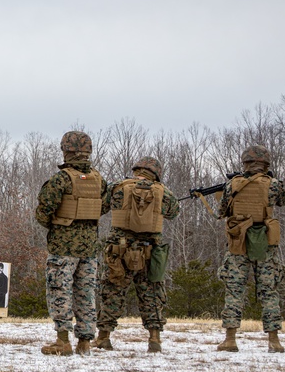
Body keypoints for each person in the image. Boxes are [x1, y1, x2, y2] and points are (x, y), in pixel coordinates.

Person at [35, 131, 110, 356]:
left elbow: (43, 211)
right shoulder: (98, 179)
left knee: (60, 290)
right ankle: (85, 342)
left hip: (63, 247)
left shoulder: (61, 179)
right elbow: (103, 207)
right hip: (89, 247)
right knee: (86, 293)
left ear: (66, 150)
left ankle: (62, 341)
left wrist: (59, 225)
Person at [96, 157, 180, 353]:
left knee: (113, 291)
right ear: (156, 172)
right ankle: (154, 338)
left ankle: (104, 337)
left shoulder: (118, 187)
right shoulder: (162, 191)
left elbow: (102, 207)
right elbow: (173, 212)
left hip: (120, 249)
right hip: (150, 249)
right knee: (152, 293)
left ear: (136, 170)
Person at [215, 145, 285, 353]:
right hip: (264, 240)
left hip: (239, 241)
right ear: (266, 164)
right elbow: (283, 200)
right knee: (268, 290)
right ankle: (274, 341)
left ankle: (230, 339)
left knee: (234, 290)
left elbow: (222, 211)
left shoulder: (233, 184)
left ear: (245, 163)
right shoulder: (273, 184)